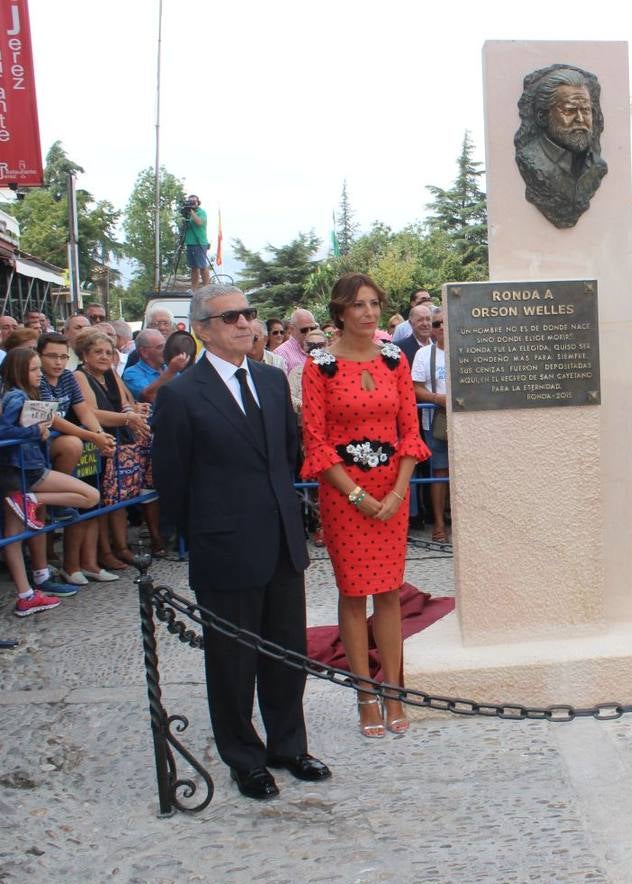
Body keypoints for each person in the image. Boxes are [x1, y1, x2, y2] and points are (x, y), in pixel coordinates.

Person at [153, 284, 328, 801]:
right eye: (230, 317)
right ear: (202, 329)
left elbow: (287, 456)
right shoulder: (181, 394)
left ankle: (288, 746)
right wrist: (203, 535)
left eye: (248, 314)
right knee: (231, 661)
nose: (244, 324)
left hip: (279, 540)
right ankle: (244, 757)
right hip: (223, 545)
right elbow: (172, 479)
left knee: (287, 651)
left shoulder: (273, 382)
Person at [302, 274, 430, 738]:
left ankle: (393, 690)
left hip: (392, 489)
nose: (370, 312)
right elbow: (315, 441)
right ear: (339, 312)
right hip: (344, 495)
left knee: (391, 592)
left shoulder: (396, 359)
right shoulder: (319, 365)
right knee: (354, 594)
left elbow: (411, 434)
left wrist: (397, 492)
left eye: (375, 303)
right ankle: (364, 697)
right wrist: (356, 494)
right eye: (359, 305)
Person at [0, 347, 101, 617]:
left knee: (13, 538)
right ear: (19, 371)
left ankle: (26, 594)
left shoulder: (24, 395)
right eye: (34, 369)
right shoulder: (16, 396)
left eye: (39, 368)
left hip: (22, 470)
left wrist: (39, 432)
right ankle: (33, 500)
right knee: (90, 496)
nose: (40, 374)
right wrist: (33, 430)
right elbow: (0, 432)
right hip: (27, 471)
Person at [74, 330, 165, 564]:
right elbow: (91, 412)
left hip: (119, 441)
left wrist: (134, 412)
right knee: (104, 500)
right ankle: (105, 552)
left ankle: (121, 546)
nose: (104, 357)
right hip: (96, 443)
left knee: (118, 498)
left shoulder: (112, 374)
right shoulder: (80, 376)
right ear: (84, 354)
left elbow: (124, 404)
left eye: (108, 352)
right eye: (98, 352)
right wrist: (128, 418)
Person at [36, 331, 118, 585]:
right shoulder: (36, 380)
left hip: (79, 448)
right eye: (51, 356)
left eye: (62, 356)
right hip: (47, 450)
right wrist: (92, 437)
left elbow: (83, 411)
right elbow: (54, 419)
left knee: (91, 503)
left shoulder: (69, 378)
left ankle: (85, 563)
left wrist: (101, 436)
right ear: (39, 356)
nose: (58, 362)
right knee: (72, 445)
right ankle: (59, 566)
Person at [514, 65, 608, 227]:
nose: (580, 119)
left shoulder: (597, 165)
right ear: (542, 117)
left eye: (586, 110)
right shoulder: (531, 159)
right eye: (569, 110)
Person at [411, 309, 451, 542]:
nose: (442, 328)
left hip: (464, 421)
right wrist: (437, 399)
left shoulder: (467, 348)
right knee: (439, 471)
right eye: (437, 324)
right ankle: (438, 524)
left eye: (446, 322)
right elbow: (415, 387)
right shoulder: (424, 354)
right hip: (435, 420)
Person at [122, 328, 188, 405]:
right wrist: (171, 372)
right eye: (160, 347)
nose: (166, 350)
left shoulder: (167, 368)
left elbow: (186, 393)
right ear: (144, 352)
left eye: (166, 346)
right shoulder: (132, 373)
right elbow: (149, 396)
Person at [180, 194, 211, 291]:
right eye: (190, 202)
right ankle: (194, 289)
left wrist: (191, 211)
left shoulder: (201, 212)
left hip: (200, 242)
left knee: (202, 266)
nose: (191, 204)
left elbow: (199, 222)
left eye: (193, 202)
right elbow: (184, 226)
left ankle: (206, 288)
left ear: (198, 203)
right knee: (193, 267)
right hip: (190, 242)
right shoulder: (187, 213)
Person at [274, 308, 318, 373]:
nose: (309, 333)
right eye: (304, 330)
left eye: (312, 329)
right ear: (292, 329)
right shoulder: (280, 354)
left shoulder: (320, 349)